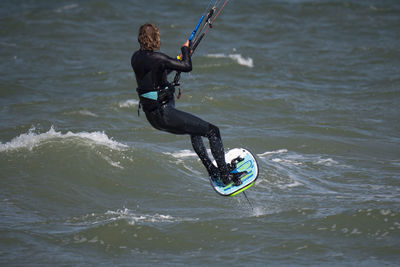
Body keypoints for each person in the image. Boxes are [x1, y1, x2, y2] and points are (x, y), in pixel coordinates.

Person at [131, 23, 243, 186]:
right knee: (213, 132)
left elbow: (160, 70)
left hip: (153, 117)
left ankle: (213, 170)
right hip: (165, 113)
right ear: (156, 38)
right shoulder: (158, 58)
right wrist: (185, 51)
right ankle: (225, 177)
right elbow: (187, 67)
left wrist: (177, 60)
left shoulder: (136, 57)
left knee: (195, 131)